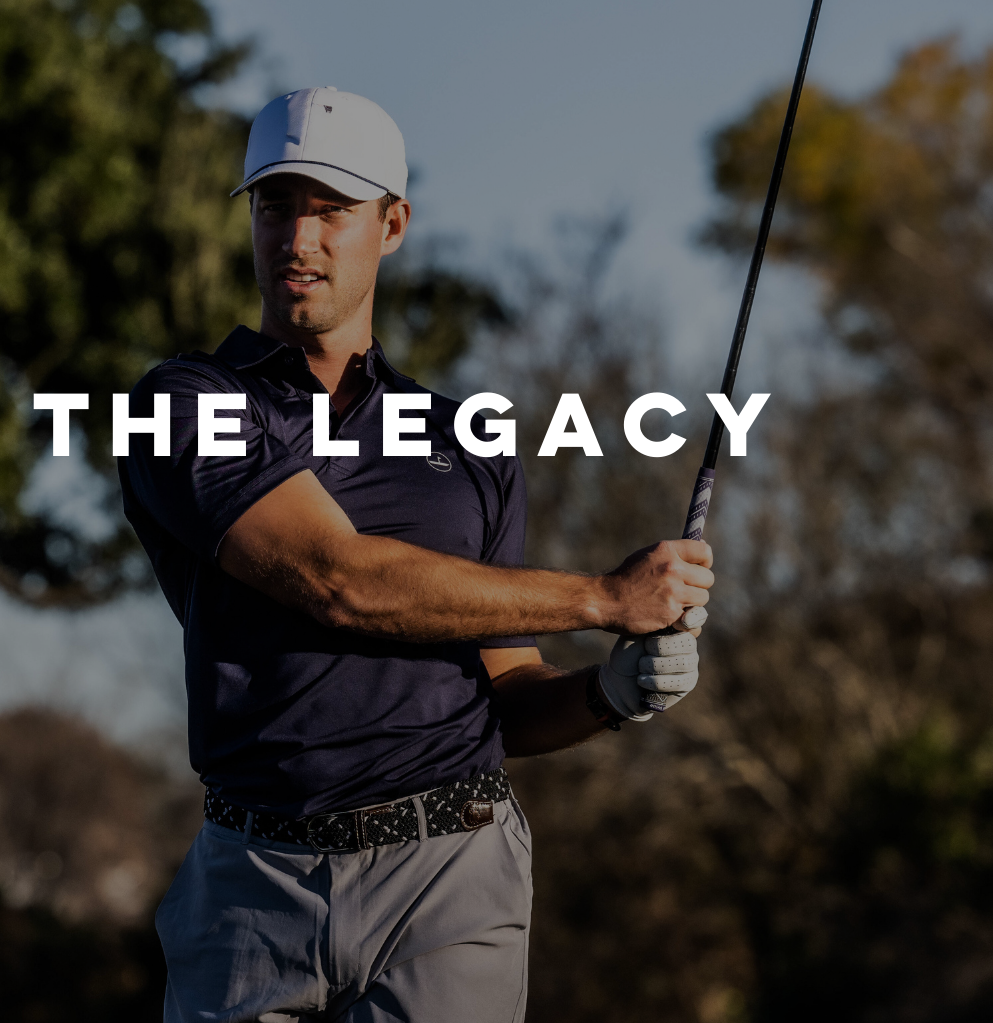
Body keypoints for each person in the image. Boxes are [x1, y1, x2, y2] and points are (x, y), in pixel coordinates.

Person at [118, 87, 712, 1023]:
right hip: (251, 887)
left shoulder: (470, 442)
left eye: (331, 210)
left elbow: (506, 695)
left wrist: (609, 692)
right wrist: (603, 598)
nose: (297, 238)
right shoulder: (188, 402)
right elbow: (336, 579)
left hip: (450, 874)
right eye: (275, 206)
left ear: (391, 225)